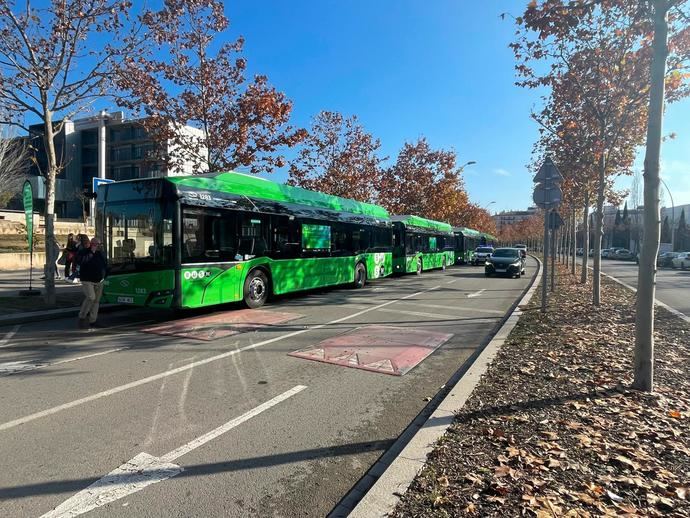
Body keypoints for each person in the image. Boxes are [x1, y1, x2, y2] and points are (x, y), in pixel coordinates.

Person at [77, 237, 107, 329]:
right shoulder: (84, 252)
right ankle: (82, 317)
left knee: (96, 301)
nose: (97, 246)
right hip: (87, 280)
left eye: (99, 244)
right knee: (91, 297)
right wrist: (91, 252)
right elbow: (81, 261)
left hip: (99, 280)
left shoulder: (100, 253)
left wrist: (104, 276)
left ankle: (93, 320)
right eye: (95, 244)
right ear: (91, 244)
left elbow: (105, 264)